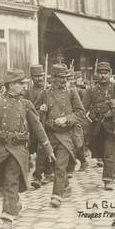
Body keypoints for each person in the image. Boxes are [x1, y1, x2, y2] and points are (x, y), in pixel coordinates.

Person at [0, 68, 55, 229]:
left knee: (11, 180)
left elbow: (38, 127)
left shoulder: (26, 104)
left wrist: (48, 148)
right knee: (2, 183)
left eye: (24, 83)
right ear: (10, 85)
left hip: (18, 150)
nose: (24, 86)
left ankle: (7, 217)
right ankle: (15, 203)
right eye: (20, 83)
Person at [34, 63, 86, 206]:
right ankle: (66, 186)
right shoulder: (44, 94)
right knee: (55, 163)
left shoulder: (71, 92)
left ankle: (56, 195)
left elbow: (81, 113)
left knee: (60, 165)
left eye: (65, 77)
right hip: (50, 135)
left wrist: (66, 119)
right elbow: (33, 113)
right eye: (61, 78)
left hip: (66, 135)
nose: (64, 81)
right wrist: (42, 111)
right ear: (53, 78)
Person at [83, 62, 115, 190]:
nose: (103, 76)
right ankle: (113, 170)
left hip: (112, 125)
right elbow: (83, 108)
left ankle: (107, 179)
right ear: (97, 74)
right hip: (97, 128)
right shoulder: (91, 90)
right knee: (101, 152)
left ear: (110, 73)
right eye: (100, 73)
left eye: (105, 73)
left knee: (109, 152)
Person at [25, 64, 53, 189]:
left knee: (42, 149)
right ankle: (49, 172)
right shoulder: (28, 92)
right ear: (32, 78)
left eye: (41, 76)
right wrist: (38, 109)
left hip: (45, 125)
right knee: (34, 149)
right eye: (36, 76)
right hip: (32, 125)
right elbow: (25, 107)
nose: (40, 79)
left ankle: (37, 176)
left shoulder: (49, 90)